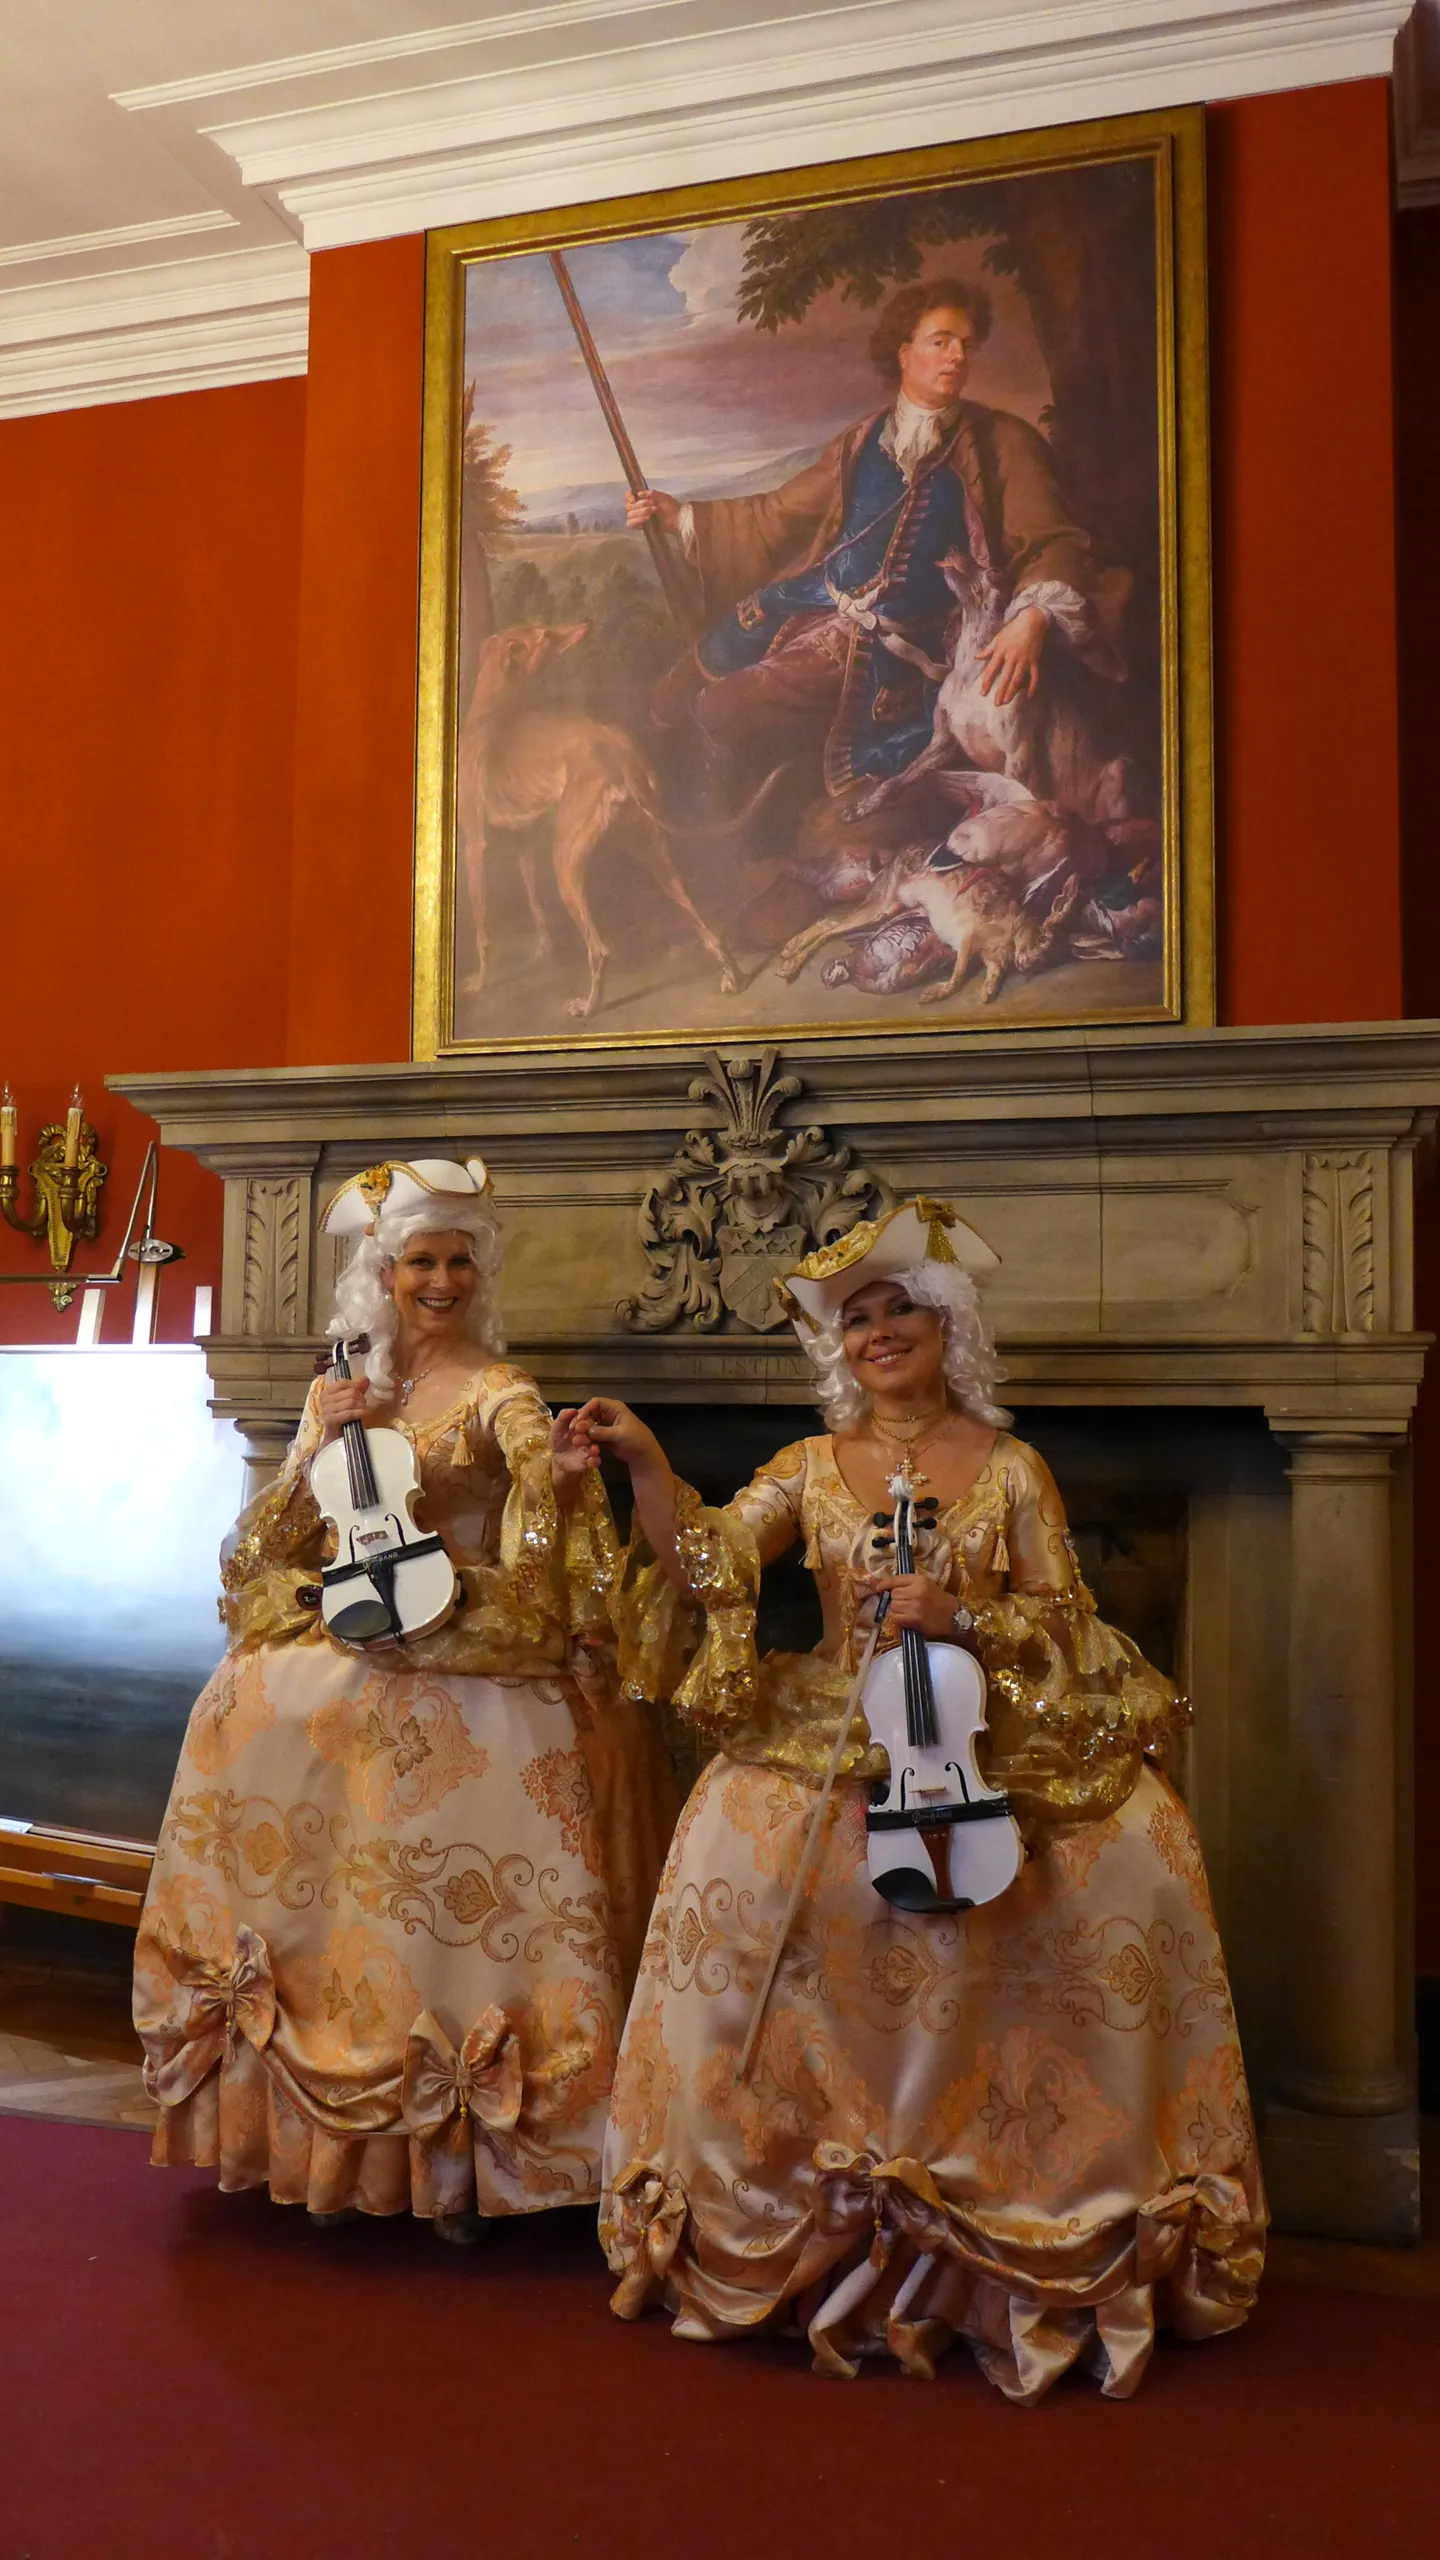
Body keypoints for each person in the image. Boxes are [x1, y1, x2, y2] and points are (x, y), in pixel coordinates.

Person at [569, 1199, 1265, 2398]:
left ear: (950, 1329)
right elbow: (712, 1563)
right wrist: (642, 1461)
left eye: (904, 1310)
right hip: (839, 1713)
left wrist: (963, 1617)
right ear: (838, 1349)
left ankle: (1026, 2200)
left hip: (970, 1720)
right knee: (736, 1858)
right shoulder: (805, 1469)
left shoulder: (1009, 1466)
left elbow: (1065, 1623)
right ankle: (787, 2190)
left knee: (1133, 1854)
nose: (880, 1332)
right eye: (858, 1319)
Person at [132, 1157, 674, 2237]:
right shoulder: (340, 1388)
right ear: (381, 1274)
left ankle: (452, 2144)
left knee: (421, 1733)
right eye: (421, 1259)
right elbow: (268, 1547)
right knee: (254, 1692)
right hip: (345, 1620)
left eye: (458, 1259)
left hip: (461, 1634)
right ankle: (311, 2118)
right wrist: (316, 1445)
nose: (441, 1279)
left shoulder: (498, 1388)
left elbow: (531, 1468)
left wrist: (556, 1475)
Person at [627, 279, 1119, 797]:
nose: (957, 355)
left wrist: (1033, 618)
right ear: (904, 353)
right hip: (809, 598)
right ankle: (648, 778)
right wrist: (679, 514)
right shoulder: (862, 438)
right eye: (941, 340)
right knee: (682, 680)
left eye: (967, 345)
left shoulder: (1003, 444)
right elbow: (777, 512)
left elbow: (1053, 541)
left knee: (724, 708)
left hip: (900, 642)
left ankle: (739, 818)